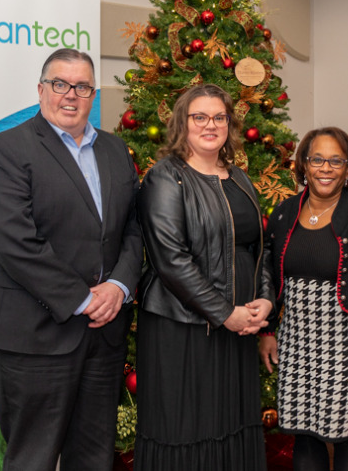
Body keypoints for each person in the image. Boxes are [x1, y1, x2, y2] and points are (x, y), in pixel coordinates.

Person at [0, 48, 143, 470]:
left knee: (94, 456)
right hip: (35, 335)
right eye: (60, 84)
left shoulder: (116, 151)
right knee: (33, 457)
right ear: (41, 90)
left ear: (93, 94)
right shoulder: (7, 149)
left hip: (103, 337)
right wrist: (84, 299)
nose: (71, 95)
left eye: (82, 86)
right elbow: (15, 241)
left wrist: (118, 287)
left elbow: (135, 229)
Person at [134, 83, 273, 470]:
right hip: (182, 327)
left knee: (231, 421)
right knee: (186, 426)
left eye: (219, 117)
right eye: (200, 117)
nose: (210, 125)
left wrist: (265, 301)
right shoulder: (165, 177)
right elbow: (170, 259)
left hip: (239, 327)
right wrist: (223, 311)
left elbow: (259, 247)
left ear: (229, 123)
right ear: (183, 123)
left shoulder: (240, 178)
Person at [258, 127, 348, 471]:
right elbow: (268, 275)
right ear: (304, 165)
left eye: (336, 161)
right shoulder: (284, 213)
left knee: (347, 435)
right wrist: (268, 330)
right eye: (317, 159)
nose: (325, 168)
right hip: (296, 341)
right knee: (304, 435)